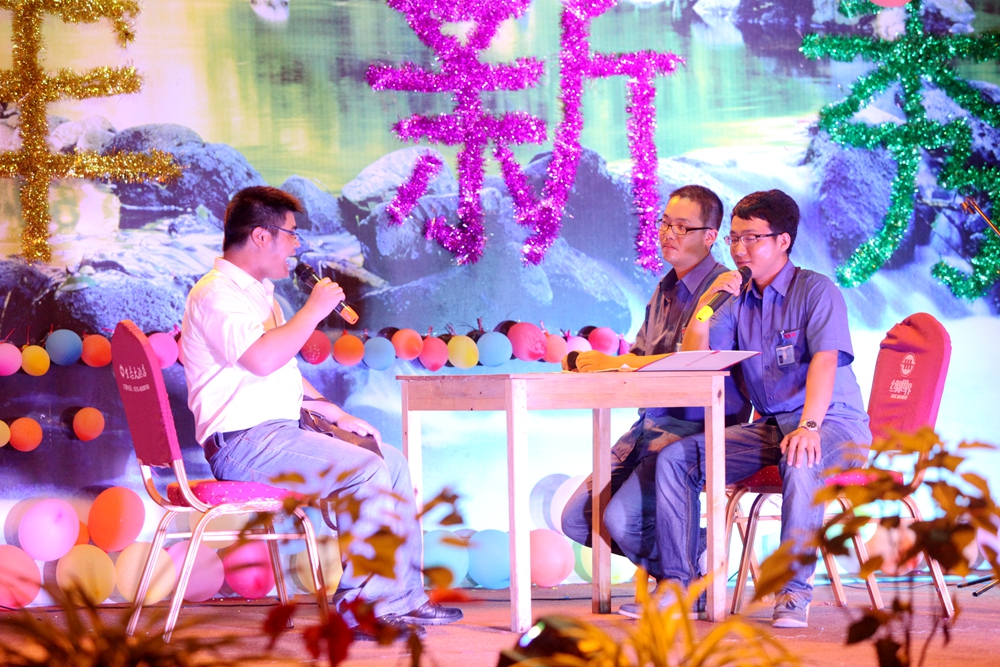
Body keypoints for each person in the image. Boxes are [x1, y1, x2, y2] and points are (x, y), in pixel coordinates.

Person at [180, 186, 462, 641]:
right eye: (291, 234)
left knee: (389, 462)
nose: (297, 245)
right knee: (365, 472)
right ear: (261, 237)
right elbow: (261, 360)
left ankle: (403, 597)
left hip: (276, 433)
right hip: (243, 442)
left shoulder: (261, 295)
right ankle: (364, 611)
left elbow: (283, 371)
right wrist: (312, 311)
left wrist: (334, 413)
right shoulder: (216, 294)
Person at [655, 189, 871, 628]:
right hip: (773, 426)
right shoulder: (735, 297)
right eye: (734, 239)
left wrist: (809, 426)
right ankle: (680, 584)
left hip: (832, 423)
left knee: (801, 455)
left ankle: (793, 591)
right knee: (676, 459)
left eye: (751, 238)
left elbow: (825, 361)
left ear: (783, 241)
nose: (739, 249)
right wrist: (706, 305)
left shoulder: (815, 290)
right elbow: (696, 357)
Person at [559, 185, 750, 597]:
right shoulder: (664, 288)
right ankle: (694, 557)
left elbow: (695, 363)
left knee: (622, 520)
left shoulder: (725, 289)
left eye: (681, 227)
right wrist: (594, 363)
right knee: (576, 519)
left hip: (696, 430)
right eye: (664, 223)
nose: (667, 234)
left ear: (710, 236)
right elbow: (642, 357)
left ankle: (681, 582)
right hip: (649, 425)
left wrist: (618, 364)